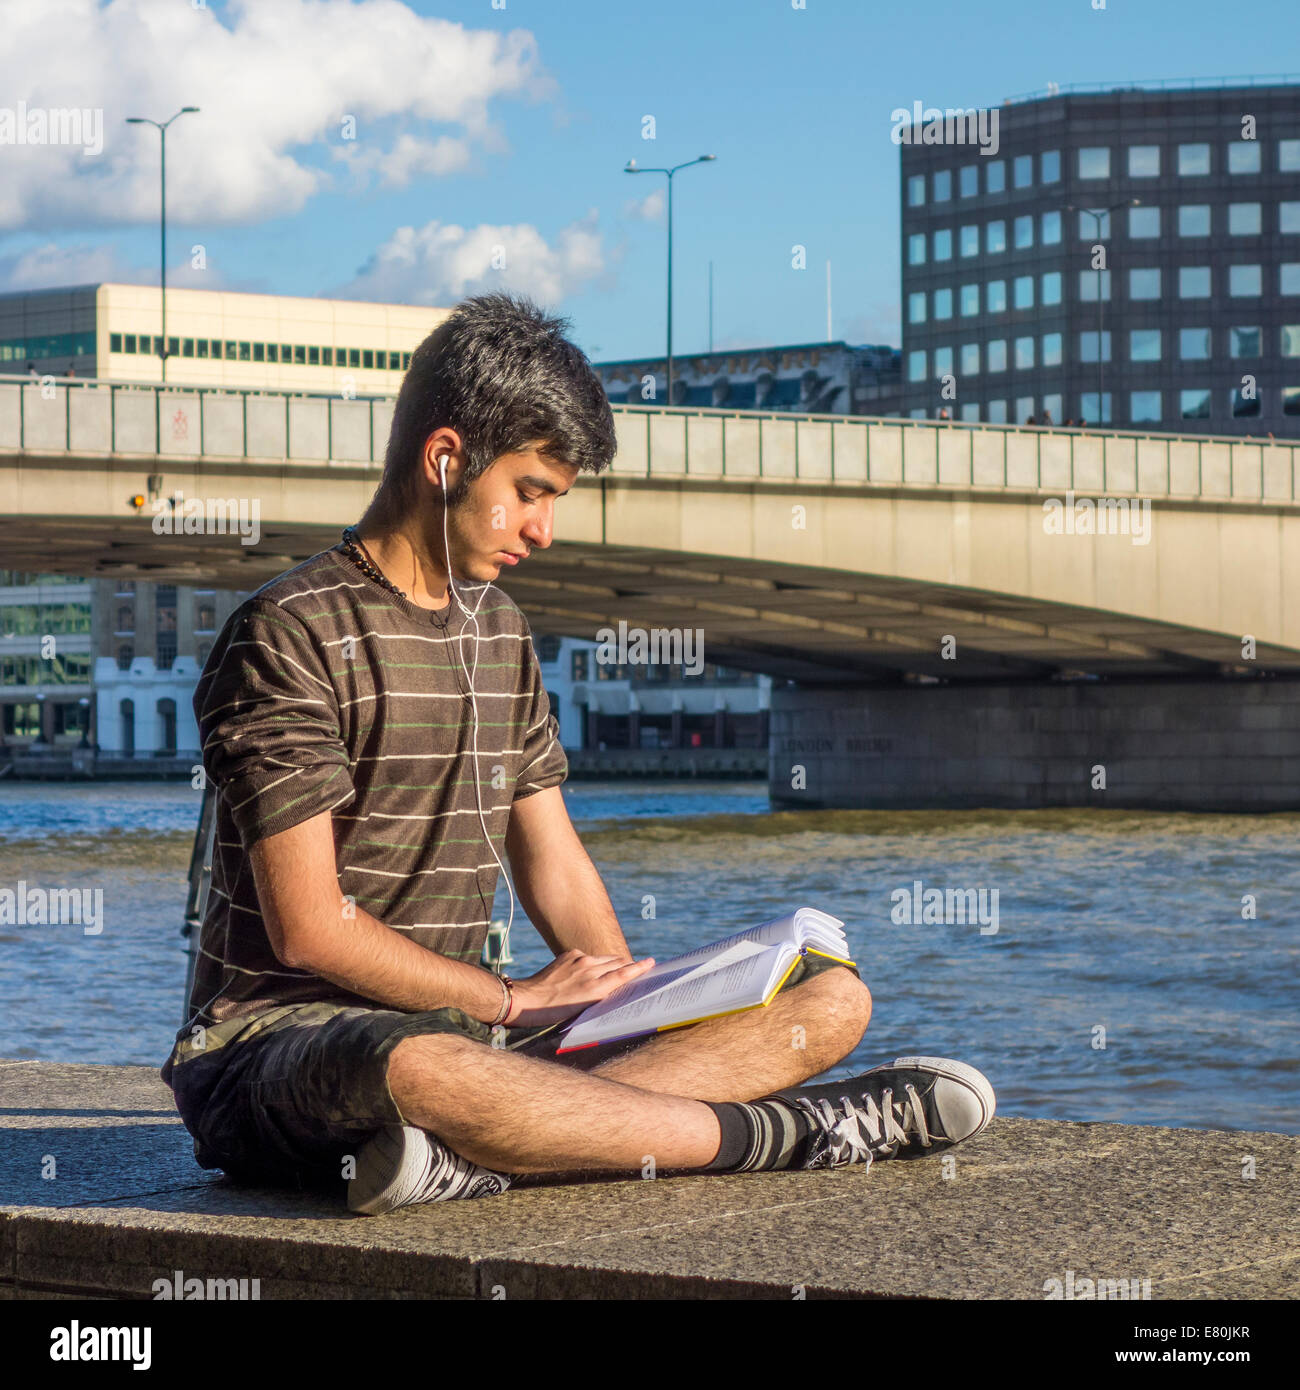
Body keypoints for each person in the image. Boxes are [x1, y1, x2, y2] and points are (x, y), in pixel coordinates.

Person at [160, 291, 995, 1217]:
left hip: (475, 1026)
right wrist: (510, 1003)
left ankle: (482, 1154)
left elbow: (549, 854)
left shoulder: (500, 629)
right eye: (529, 493)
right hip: (279, 1051)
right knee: (422, 1065)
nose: (543, 531)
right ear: (446, 460)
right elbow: (311, 929)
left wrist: (633, 996)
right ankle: (789, 1134)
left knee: (831, 1002)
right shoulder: (287, 632)